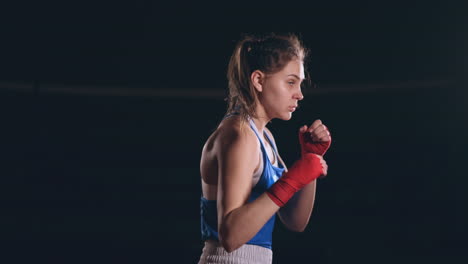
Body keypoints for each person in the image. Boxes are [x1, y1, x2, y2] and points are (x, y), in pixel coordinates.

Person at [198, 33, 332, 264]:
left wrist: (309, 160)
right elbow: (230, 237)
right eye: (290, 82)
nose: (299, 94)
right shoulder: (239, 136)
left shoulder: (264, 136)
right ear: (258, 80)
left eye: (300, 83)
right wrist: (291, 180)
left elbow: (295, 221)